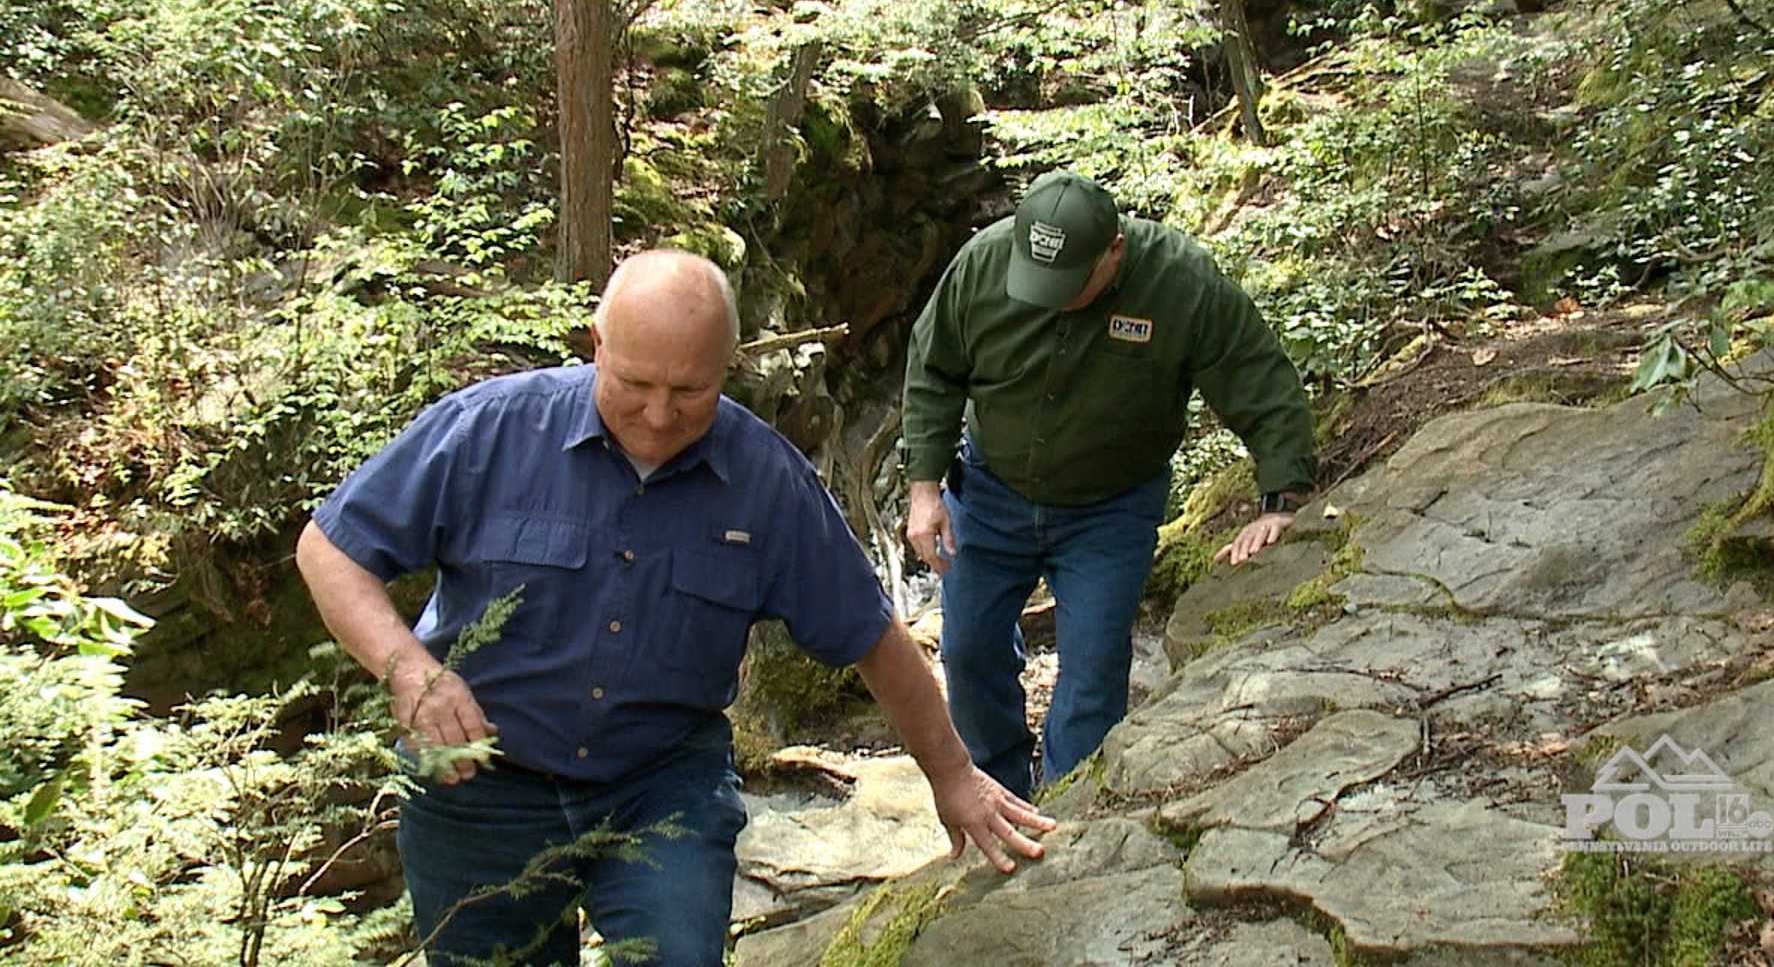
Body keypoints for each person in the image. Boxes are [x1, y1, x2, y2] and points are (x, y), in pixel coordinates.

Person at [296, 248, 1052, 967]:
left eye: (690, 391)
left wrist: (953, 775)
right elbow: (331, 549)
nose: (659, 415)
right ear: (596, 343)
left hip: (661, 779)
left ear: (728, 367)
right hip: (480, 781)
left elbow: (870, 633)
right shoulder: (490, 431)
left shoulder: (766, 481)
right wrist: (411, 673)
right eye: (636, 383)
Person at [902, 170, 1316, 800]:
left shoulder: (1180, 282)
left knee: (1093, 674)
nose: (1050, 299)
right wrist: (924, 488)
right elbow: (933, 371)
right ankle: (997, 799)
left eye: (1069, 285)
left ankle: (1070, 815)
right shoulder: (981, 267)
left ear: (1115, 251)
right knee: (969, 653)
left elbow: (1257, 377)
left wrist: (1280, 500)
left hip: (1110, 511)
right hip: (989, 493)